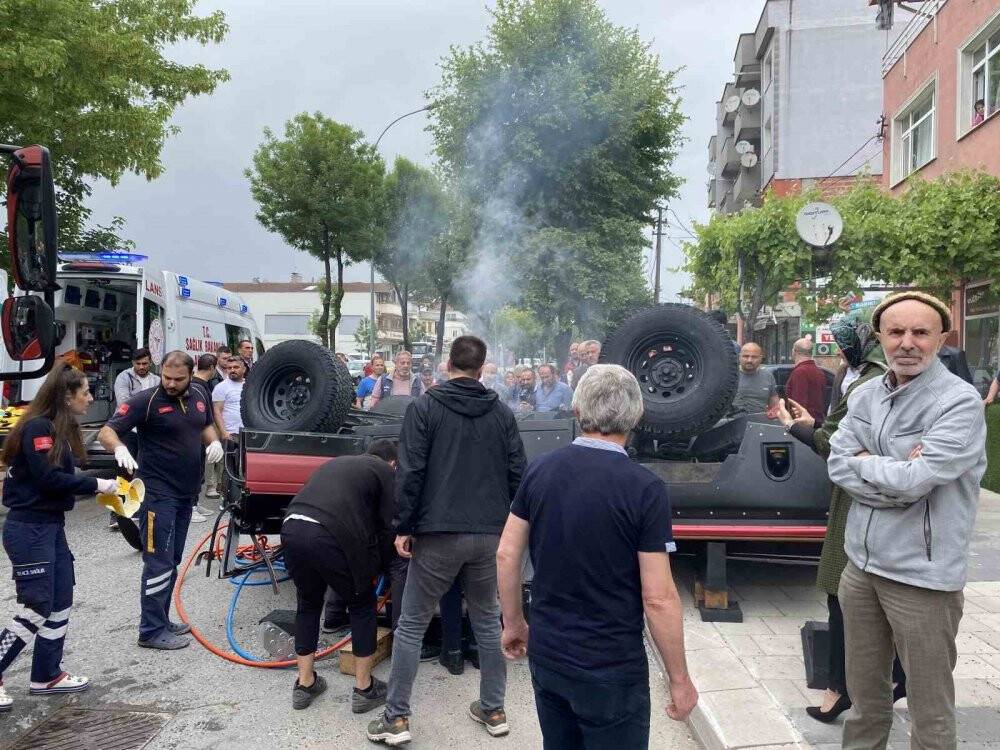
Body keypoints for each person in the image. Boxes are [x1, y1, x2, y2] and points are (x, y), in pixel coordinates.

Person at [496, 364, 698, 747]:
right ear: (637, 415)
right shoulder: (645, 489)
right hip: (611, 668)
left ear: (576, 410)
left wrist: (515, 623)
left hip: (549, 656)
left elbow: (507, 554)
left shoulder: (539, 471)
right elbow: (658, 598)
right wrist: (679, 679)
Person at [828, 291, 986, 749]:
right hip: (861, 569)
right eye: (896, 332)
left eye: (921, 332)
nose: (907, 343)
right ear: (880, 337)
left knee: (929, 712)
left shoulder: (958, 403)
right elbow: (837, 464)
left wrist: (868, 462)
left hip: (922, 579)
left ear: (942, 338)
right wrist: (893, 472)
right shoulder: (866, 394)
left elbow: (917, 481)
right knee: (865, 702)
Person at [367, 335, 526, 746]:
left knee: (411, 625)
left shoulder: (424, 408)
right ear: (482, 368)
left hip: (438, 534)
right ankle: (493, 709)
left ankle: (396, 718)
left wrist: (404, 526)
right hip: (489, 535)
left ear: (448, 364)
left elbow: (410, 471)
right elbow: (518, 473)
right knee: (488, 620)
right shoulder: (502, 414)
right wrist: (512, 528)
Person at [776, 317, 906, 723]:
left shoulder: (868, 382)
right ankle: (895, 675)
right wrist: (813, 424)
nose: (834, 353)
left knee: (842, 594)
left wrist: (794, 428)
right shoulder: (869, 376)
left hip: (858, 497)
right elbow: (837, 434)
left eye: (839, 345)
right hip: (863, 492)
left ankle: (840, 688)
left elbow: (833, 443)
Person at [0, 363, 118, 711]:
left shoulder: (59, 429)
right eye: (86, 392)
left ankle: (46, 675)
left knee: (61, 601)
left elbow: (61, 478)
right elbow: (48, 479)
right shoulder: (38, 427)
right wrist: (97, 484)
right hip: (29, 529)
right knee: (37, 605)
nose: (90, 398)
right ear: (67, 396)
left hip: (51, 526)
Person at [98, 351, 224, 651]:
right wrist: (119, 448)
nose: (170, 383)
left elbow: (205, 423)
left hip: (185, 494)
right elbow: (107, 432)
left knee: (173, 559)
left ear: (191, 376)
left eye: (178, 379)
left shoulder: (199, 395)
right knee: (158, 561)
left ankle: (162, 620)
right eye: (166, 377)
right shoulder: (146, 400)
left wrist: (214, 441)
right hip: (157, 494)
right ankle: (150, 630)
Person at [282, 440, 398, 713]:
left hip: (292, 527)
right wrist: (384, 565)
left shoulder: (340, 462)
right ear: (392, 462)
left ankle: (305, 683)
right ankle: (364, 689)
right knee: (362, 604)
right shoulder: (384, 471)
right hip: (330, 533)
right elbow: (388, 525)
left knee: (308, 603)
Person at [109, 348, 158, 530]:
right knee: (124, 472)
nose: (142, 367)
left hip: (148, 432)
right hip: (128, 429)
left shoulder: (156, 380)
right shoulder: (124, 377)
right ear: (132, 363)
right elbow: (125, 403)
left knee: (143, 471)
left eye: (145, 363)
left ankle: (137, 509)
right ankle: (116, 513)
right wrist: (147, 409)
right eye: (138, 364)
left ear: (150, 362)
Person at [785, 336, 827, 423]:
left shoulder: (799, 373)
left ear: (794, 351)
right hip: (817, 422)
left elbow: (798, 404)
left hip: (803, 424)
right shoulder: (819, 372)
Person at [731, 343, 779, 417]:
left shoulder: (768, 376)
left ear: (760, 358)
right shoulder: (730, 376)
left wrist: (774, 413)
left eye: (754, 357)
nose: (749, 360)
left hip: (759, 422)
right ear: (739, 357)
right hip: (732, 421)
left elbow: (775, 406)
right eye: (746, 356)